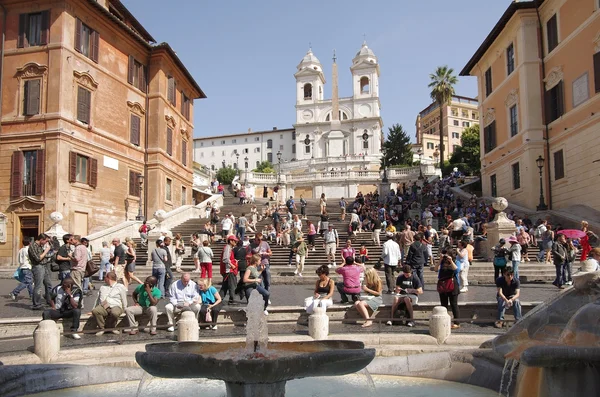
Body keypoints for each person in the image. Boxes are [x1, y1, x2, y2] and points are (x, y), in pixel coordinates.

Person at [434, 250, 461, 329]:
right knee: (443, 304)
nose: (445, 257)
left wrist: (451, 261)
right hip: (443, 284)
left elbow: (456, 270)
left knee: (454, 304)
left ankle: (457, 322)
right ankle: (444, 321)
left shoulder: (456, 261)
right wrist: (440, 260)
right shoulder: (442, 262)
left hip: (452, 285)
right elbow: (436, 269)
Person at [28, 233, 53, 310]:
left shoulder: (40, 246)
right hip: (38, 267)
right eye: (45, 241)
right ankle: (36, 304)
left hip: (44, 266)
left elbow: (45, 254)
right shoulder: (32, 246)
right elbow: (38, 258)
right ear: (41, 240)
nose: (46, 243)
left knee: (48, 284)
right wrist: (46, 251)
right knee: (38, 286)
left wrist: (50, 244)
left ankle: (49, 300)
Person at [10, 237, 34, 302]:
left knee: (29, 282)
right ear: (29, 243)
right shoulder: (28, 250)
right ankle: (14, 292)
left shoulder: (20, 250)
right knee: (27, 282)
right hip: (28, 267)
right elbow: (31, 258)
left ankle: (32, 294)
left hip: (22, 267)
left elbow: (18, 259)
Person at [219, 235, 239, 304]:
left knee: (225, 286)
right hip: (229, 270)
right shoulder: (228, 248)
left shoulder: (228, 248)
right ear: (231, 241)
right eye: (235, 241)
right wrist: (232, 265)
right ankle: (232, 300)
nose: (236, 242)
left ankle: (219, 299)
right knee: (232, 285)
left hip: (227, 270)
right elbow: (225, 259)